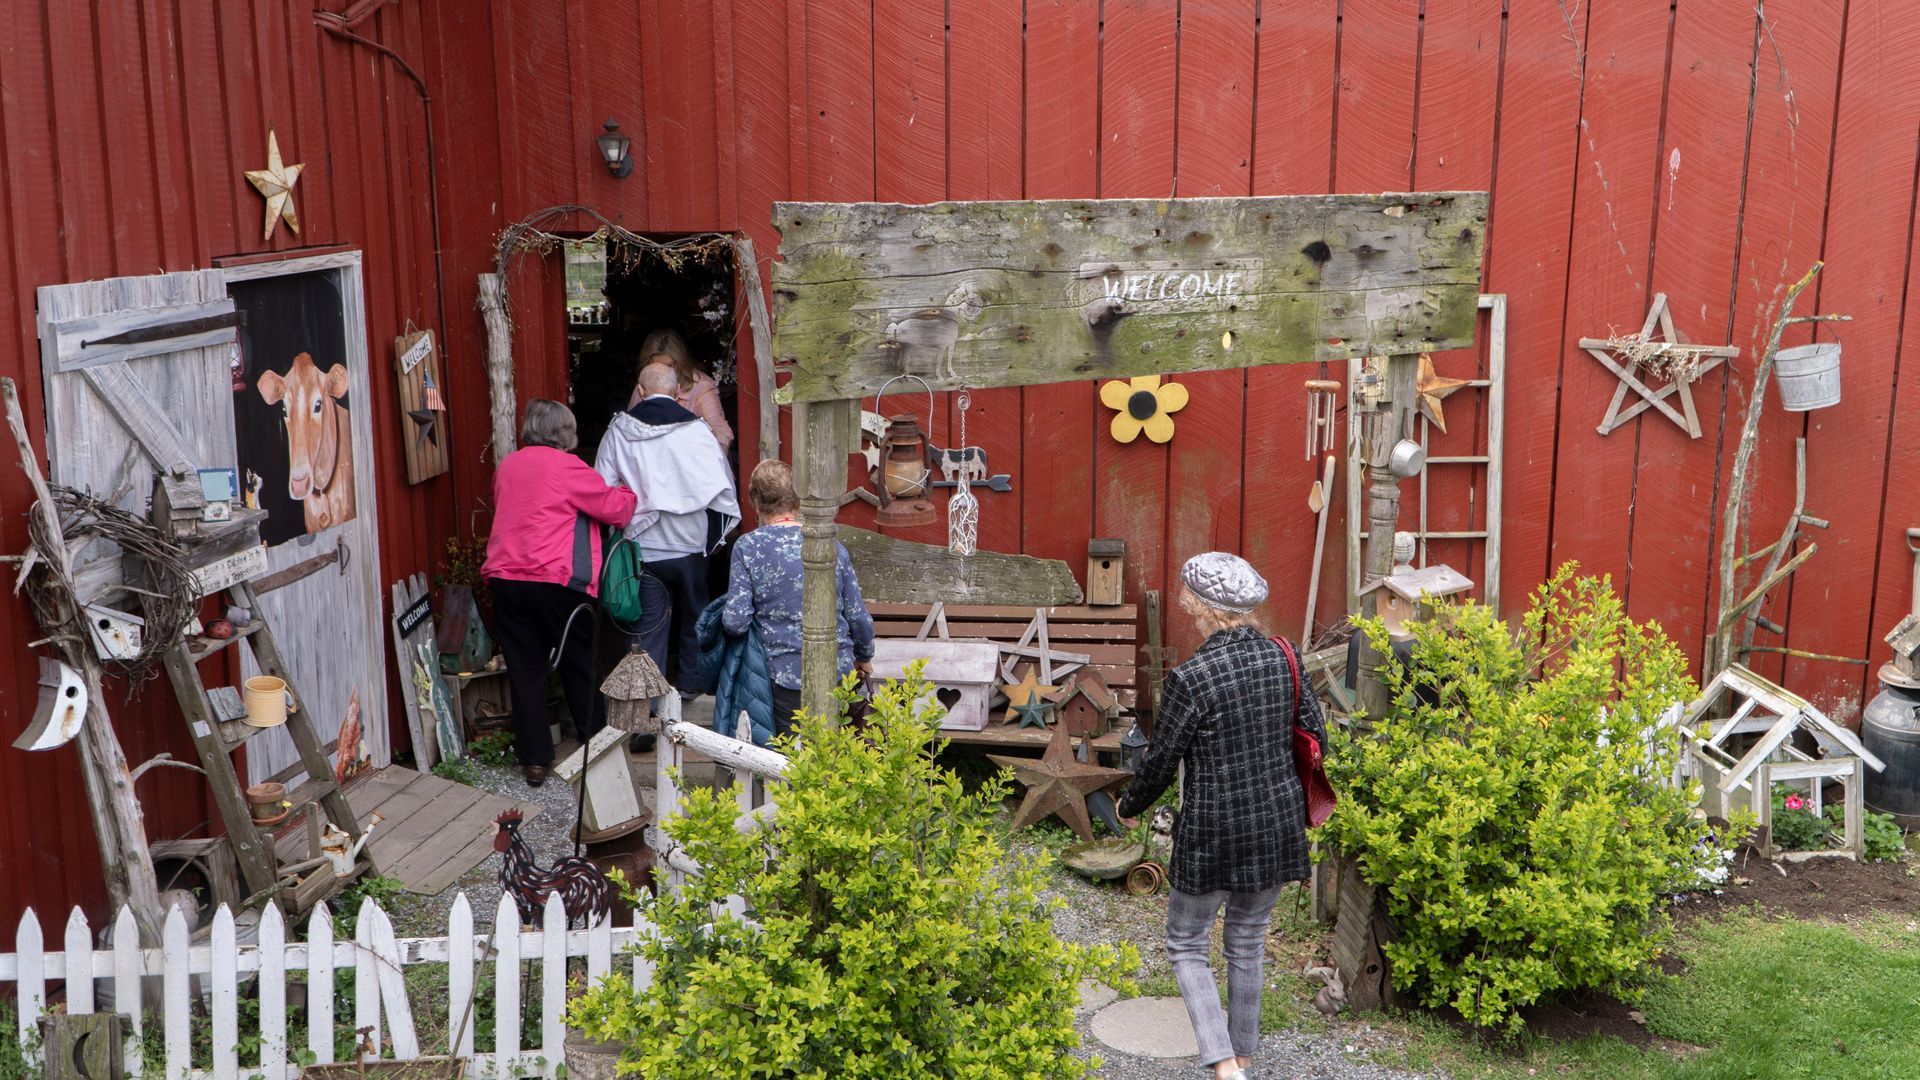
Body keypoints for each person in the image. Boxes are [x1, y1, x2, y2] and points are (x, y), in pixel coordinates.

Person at [1114, 552, 1327, 1080]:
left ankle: (1224, 1064)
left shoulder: (1192, 678)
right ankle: (1245, 1053)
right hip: (1277, 823)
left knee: (1187, 945)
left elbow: (1161, 760)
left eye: (1189, 597)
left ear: (1202, 607)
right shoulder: (1287, 658)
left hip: (1213, 831)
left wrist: (1128, 804)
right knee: (1248, 940)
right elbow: (1317, 738)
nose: (1186, 604)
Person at [482, 400, 637, 787]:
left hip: (507, 579)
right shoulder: (569, 467)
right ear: (565, 434)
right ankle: (596, 746)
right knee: (580, 663)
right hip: (557, 581)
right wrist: (629, 492)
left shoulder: (508, 466)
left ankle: (535, 760)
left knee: (526, 669)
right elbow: (615, 510)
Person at [595, 363, 741, 695]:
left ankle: (645, 704)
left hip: (643, 547)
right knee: (695, 618)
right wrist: (716, 538)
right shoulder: (698, 431)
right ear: (678, 393)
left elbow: (602, 488)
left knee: (647, 629)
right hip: (690, 543)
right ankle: (691, 686)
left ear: (641, 391)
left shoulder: (619, 430)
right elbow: (722, 486)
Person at [719, 459, 875, 737]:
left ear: (754, 501)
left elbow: (735, 622)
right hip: (839, 673)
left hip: (783, 675)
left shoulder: (748, 547)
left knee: (791, 762)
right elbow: (858, 617)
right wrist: (864, 656)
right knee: (838, 756)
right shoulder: (831, 545)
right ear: (798, 500)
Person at [626, 328, 733, 452]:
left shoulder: (701, 387)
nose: (663, 373)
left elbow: (720, 429)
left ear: (680, 362)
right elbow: (630, 426)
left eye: (669, 366)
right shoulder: (644, 385)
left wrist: (713, 461)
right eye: (656, 366)